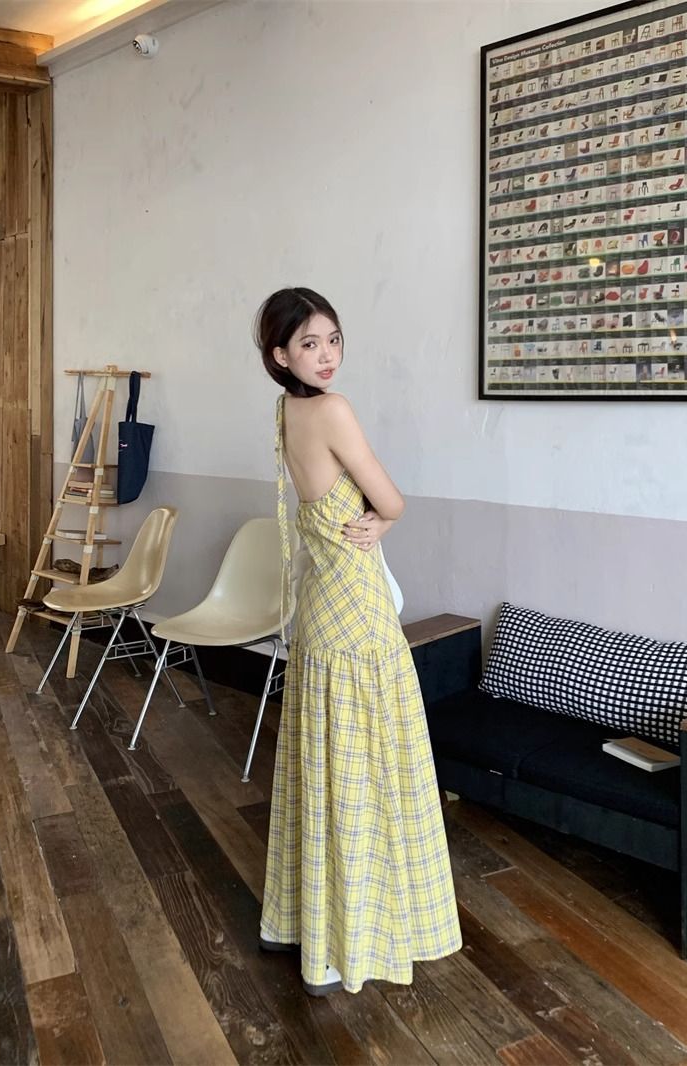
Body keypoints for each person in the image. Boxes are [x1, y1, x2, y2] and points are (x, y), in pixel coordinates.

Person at [253, 287, 462, 996]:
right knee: (367, 768)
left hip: (320, 607)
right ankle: (352, 942)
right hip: (358, 611)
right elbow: (392, 498)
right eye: (309, 344)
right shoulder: (332, 409)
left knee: (324, 763)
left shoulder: (285, 410)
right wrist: (387, 517)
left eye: (333, 339)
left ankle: (310, 927)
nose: (327, 355)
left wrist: (379, 519)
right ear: (281, 354)